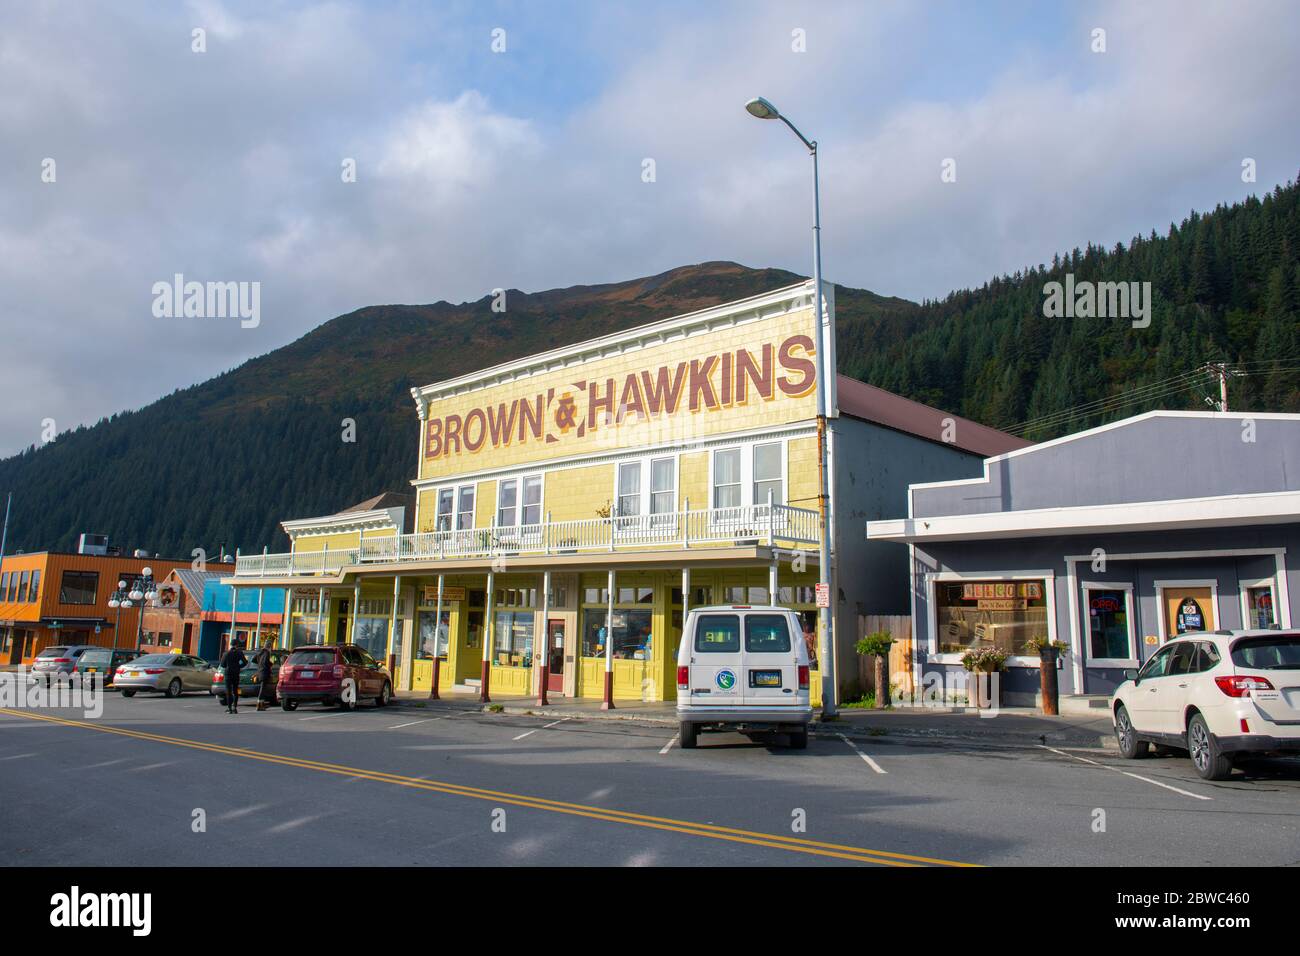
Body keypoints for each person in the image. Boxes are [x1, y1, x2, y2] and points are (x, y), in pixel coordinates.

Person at [220, 637, 248, 714]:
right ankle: (234, 707)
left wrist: (228, 666)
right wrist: (239, 666)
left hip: (228, 673)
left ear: (231, 645)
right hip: (236, 673)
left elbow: (222, 664)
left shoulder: (226, 653)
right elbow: (245, 662)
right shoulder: (239, 653)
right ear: (237, 645)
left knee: (228, 691)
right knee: (235, 691)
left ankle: (229, 708)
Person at [254, 637, 275, 711]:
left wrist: (259, 664)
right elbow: (266, 662)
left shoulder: (260, 652)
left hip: (260, 671)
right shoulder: (267, 652)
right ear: (269, 646)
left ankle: (261, 704)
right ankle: (259, 704)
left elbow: (254, 660)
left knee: (263, 688)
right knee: (262, 689)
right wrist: (270, 664)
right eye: (270, 645)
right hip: (264, 672)